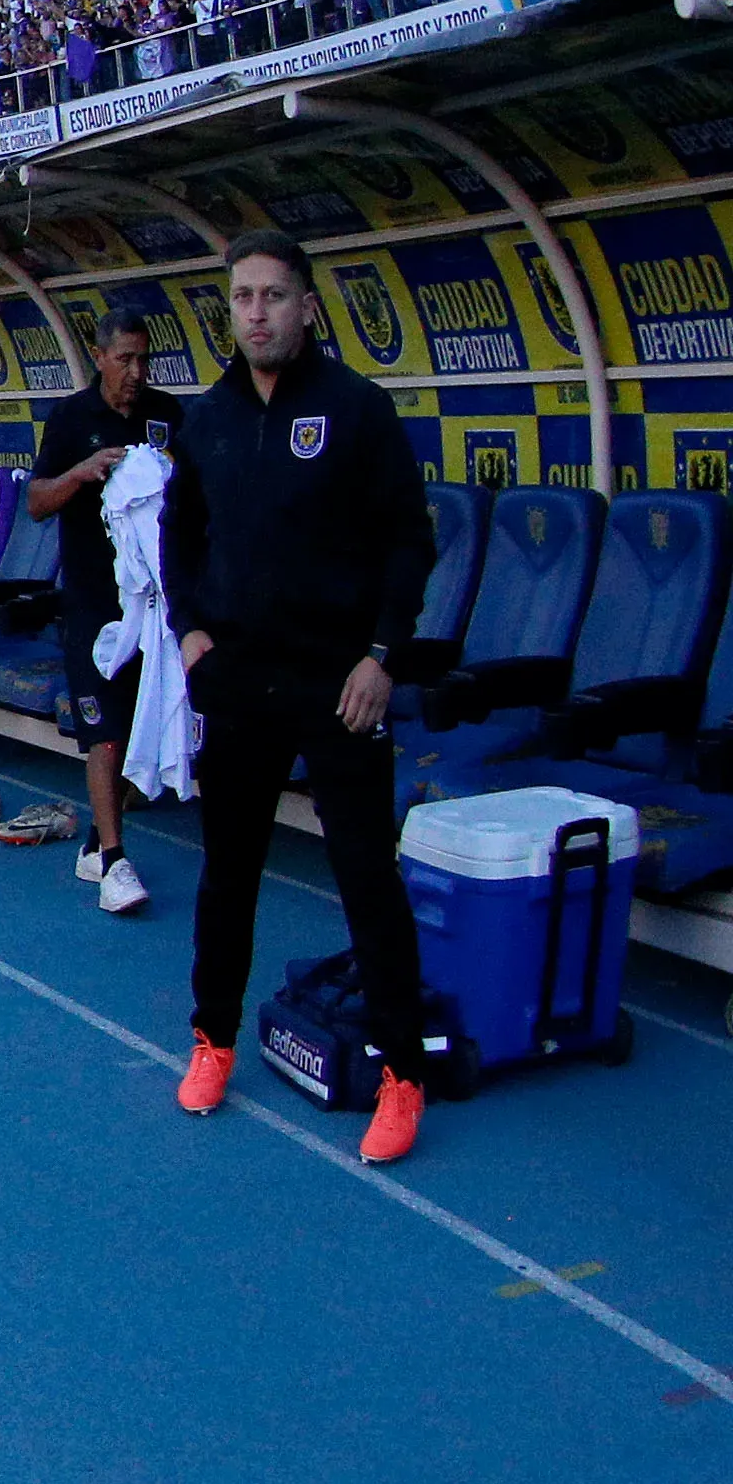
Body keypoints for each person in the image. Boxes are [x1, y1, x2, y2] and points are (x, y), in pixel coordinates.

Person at [164, 228, 439, 1161]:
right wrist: (192, 635)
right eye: (242, 297)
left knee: (366, 877)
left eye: (274, 296)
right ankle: (213, 1039)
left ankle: (403, 1076)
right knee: (227, 873)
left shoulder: (357, 411)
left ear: (308, 306)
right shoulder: (206, 419)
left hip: (339, 684)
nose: (256, 313)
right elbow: (179, 537)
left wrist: (382, 656)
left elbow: (410, 542)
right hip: (238, 679)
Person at [27, 310, 189, 910]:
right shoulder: (71, 418)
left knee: (143, 726)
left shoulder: (168, 416)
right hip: (94, 603)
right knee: (106, 736)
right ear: (99, 356)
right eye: (125, 359)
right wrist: (82, 472)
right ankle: (116, 863)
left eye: (144, 359)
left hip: (156, 605)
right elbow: (38, 503)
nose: (136, 372)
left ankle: (99, 839)